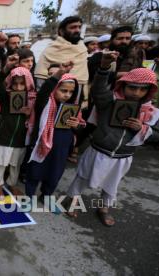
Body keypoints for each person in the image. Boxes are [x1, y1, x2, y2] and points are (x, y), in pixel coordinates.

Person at [66, 53, 159, 226]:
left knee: (111, 185)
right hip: (98, 150)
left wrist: (142, 129)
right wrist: (103, 68)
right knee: (83, 177)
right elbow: (98, 90)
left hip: (123, 156)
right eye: (132, 87)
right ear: (123, 85)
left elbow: (156, 135)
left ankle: (103, 208)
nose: (136, 93)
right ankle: (71, 200)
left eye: (142, 89)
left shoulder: (150, 111)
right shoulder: (109, 101)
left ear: (149, 90)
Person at [25, 62, 84, 209]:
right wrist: (58, 74)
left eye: (71, 92)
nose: (67, 95)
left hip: (61, 149)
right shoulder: (44, 103)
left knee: (54, 174)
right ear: (55, 88)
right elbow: (45, 90)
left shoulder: (73, 107)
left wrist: (76, 125)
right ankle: (29, 197)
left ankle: (46, 196)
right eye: (63, 90)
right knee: (34, 173)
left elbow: (80, 128)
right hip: (42, 145)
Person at [0, 67, 36, 197]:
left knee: (15, 164)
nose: (18, 87)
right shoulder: (5, 96)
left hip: (20, 138)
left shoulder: (33, 99)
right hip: (5, 136)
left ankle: (12, 184)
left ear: (28, 83)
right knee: (0, 163)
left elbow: (37, 119)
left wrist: (29, 114)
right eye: (15, 83)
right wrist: (5, 68)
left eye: (22, 84)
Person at [34, 16, 88, 96]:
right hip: (51, 98)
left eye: (79, 27)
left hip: (76, 99)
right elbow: (40, 79)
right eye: (73, 27)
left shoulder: (82, 50)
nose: (77, 30)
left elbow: (83, 81)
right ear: (62, 31)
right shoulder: (51, 50)